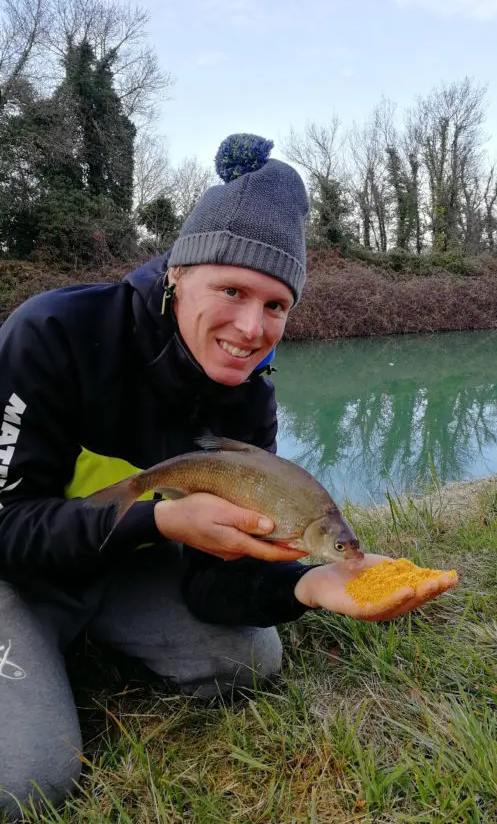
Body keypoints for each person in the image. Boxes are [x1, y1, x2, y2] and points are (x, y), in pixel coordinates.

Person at [0, 133, 455, 818]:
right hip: (16, 569)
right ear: (179, 272)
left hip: (117, 566)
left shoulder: (248, 396)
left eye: (276, 305)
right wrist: (159, 518)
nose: (250, 327)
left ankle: (75, 645)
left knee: (248, 663)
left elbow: (219, 578)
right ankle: (38, 654)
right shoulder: (53, 332)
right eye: (232, 289)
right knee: (25, 779)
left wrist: (308, 581)